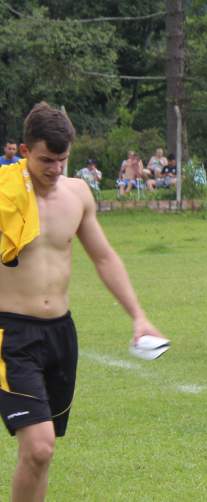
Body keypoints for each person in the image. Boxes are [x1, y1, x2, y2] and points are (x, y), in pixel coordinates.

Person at [0, 102, 166, 501]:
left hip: (60, 333)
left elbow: (104, 257)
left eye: (62, 160)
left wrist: (138, 316)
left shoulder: (78, 194)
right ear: (25, 152)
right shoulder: (4, 194)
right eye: (45, 160)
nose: (55, 169)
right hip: (12, 335)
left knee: (40, 454)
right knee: (39, 446)